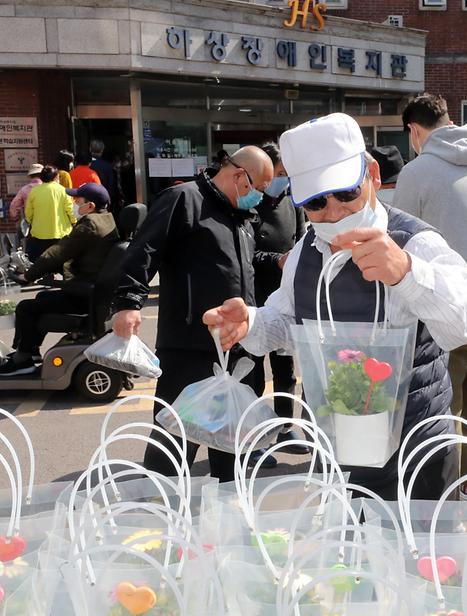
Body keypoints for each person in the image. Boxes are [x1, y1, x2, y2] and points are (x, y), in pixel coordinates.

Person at [204, 113, 467, 500]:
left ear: (372, 175)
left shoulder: (415, 243)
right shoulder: (305, 251)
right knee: (346, 553)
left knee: (422, 557)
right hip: (336, 446)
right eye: (316, 202)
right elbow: (288, 321)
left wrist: (406, 273)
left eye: (346, 193)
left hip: (414, 447)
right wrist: (250, 323)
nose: (335, 211)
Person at [110, 147, 274, 482]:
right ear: (239, 175)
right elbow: (146, 250)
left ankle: (229, 515)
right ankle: (162, 510)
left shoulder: (241, 218)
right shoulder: (184, 199)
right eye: (257, 188)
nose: (259, 198)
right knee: (173, 442)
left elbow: (245, 268)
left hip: (238, 348)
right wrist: (128, 302)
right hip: (189, 348)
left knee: (234, 444)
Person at [393, 94, 467, 492]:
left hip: (439, 310)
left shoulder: (416, 172)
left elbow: (399, 240)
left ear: (413, 129)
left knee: (444, 406)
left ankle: (445, 499)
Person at [1, 183, 117, 376]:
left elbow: (59, 252)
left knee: (25, 308)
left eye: (78, 201)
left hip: (85, 296)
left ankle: (23, 360)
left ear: (90, 206)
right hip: (92, 292)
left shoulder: (90, 225)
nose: (74, 204)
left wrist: (28, 276)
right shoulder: (107, 219)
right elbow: (74, 253)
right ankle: (30, 351)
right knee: (42, 299)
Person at [248, 141, 307, 468]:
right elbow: (245, 254)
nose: (282, 180)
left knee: (286, 371)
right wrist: (277, 260)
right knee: (253, 374)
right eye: (278, 174)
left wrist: (295, 262)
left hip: (286, 300)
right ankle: (256, 436)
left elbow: (301, 240)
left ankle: (285, 427)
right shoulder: (250, 206)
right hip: (256, 300)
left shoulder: (293, 203)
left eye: (286, 174)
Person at [24, 165, 74, 261]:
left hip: (39, 233)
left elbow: (28, 213)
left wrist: (31, 222)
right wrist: (74, 221)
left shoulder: (34, 191)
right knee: (60, 262)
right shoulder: (63, 190)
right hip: (61, 232)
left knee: (40, 261)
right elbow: (70, 210)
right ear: (55, 177)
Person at [8, 164, 43, 247]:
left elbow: (13, 207)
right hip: (50, 224)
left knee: (31, 251)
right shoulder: (50, 188)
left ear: (30, 176)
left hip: (30, 224)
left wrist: (16, 219)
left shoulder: (25, 189)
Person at [89, 140, 121, 214]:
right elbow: (111, 185)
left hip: (87, 199)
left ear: (90, 149)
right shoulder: (107, 166)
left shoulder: (85, 164)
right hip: (103, 198)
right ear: (102, 150)